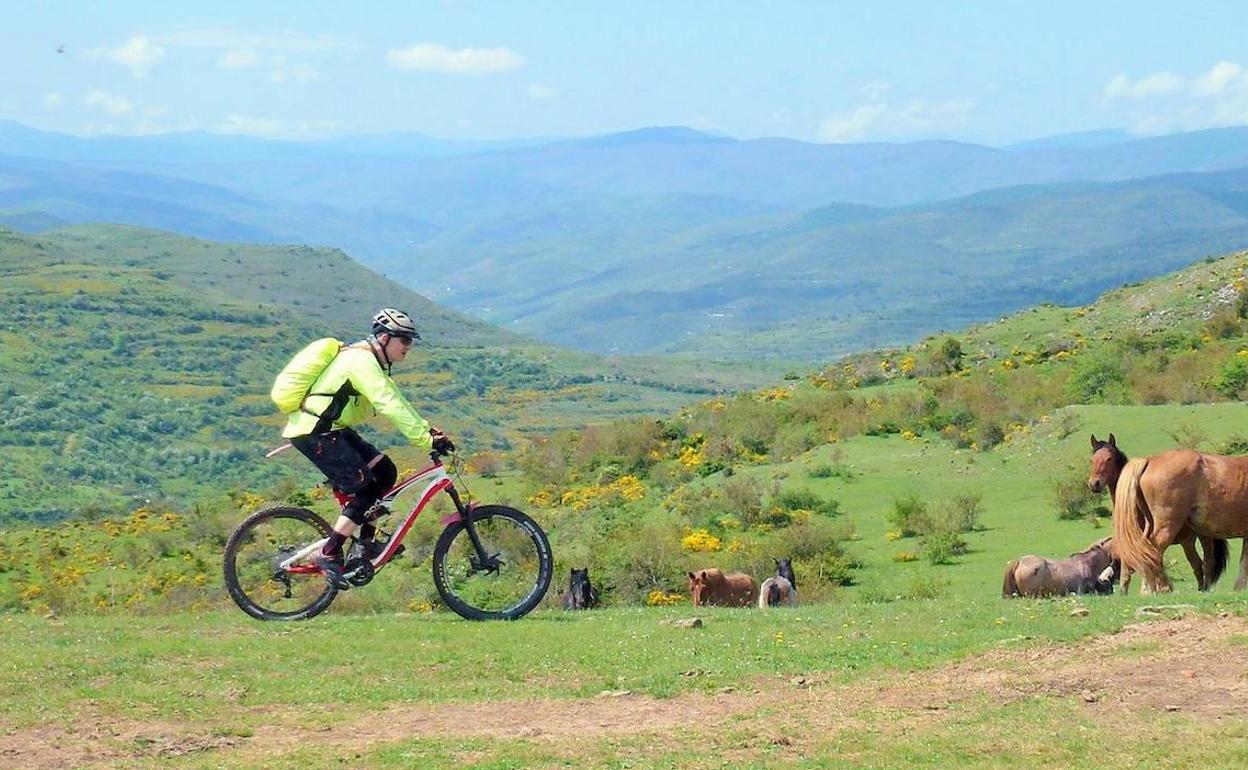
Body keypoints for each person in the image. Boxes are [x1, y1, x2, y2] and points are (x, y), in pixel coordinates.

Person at [282, 307, 454, 588]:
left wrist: (426, 429)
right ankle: (328, 552)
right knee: (365, 487)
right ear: (385, 338)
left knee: (385, 473)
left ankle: (365, 545)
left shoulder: (372, 362)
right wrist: (425, 440)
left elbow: (396, 398)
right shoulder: (360, 361)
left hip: (331, 430)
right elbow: (388, 403)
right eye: (405, 340)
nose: (408, 347)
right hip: (316, 433)